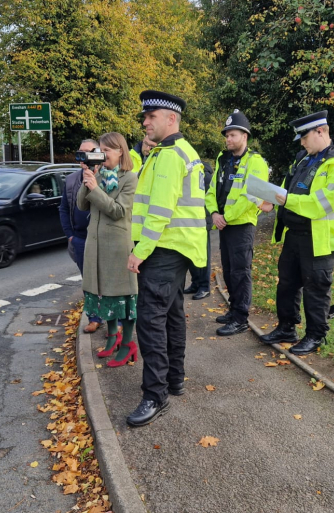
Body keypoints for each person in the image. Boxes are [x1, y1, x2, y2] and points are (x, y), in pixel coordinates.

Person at [126, 90, 207, 427]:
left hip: (163, 248)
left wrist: (139, 251)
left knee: (151, 320)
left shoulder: (171, 155)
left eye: (151, 116)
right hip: (177, 248)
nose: (145, 122)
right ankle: (174, 380)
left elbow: (159, 212)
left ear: (170, 118)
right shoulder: (174, 152)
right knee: (172, 315)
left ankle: (154, 395)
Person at [259, 111, 334, 355]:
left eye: (305, 137)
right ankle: (286, 327)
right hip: (295, 234)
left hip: (320, 239)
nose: (302, 143)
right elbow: (287, 186)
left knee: (316, 289)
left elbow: (321, 204)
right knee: (287, 284)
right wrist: (272, 201)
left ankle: (315, 335)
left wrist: (283, 198)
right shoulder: (303, 159)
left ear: (321, 131)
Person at [205, 110, 272, 336]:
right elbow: (212, 189)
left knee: (241, 272)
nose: (228, 139)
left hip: (241, 225)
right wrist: (214, 212)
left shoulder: (256, 162)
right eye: (226, 135)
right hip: (224, 224)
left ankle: (241, 318)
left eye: (232, 135)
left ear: (245, 136)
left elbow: (250, 196)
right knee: (228, 269)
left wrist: (226, 217)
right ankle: (233, 310)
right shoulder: (223, 159)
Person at [77, 133, 139, 367]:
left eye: (106, 150)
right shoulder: (98, 174)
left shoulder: (129, 178)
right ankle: (112, 338)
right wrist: (89, 179)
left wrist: (96, 189)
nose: (101, 155)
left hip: (117, 247)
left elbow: (119, 211)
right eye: (99, 151)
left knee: (122, 296)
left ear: (120, 151)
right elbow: (82, 205)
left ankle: (128, 344)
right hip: (96, 246)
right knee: (104, 295)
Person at [59, 139, 103, 333]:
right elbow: (63, 208)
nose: (83, 156)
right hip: (79, 239)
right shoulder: (70, 180)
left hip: (102, 238)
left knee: (106, 279)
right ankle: (94, 317)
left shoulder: (107, 176)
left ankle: (115, 319)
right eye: (81, 152)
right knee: (88, 281)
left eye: (88, 151)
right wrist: (70, 235)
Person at [183, 160, 214, 300]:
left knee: (203, 256)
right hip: (189, 220)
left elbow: (208, 200)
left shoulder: (204, 175)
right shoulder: (189, 172)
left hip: (201, 221)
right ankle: (196, 283)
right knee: (190, 255)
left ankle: (204, 287)